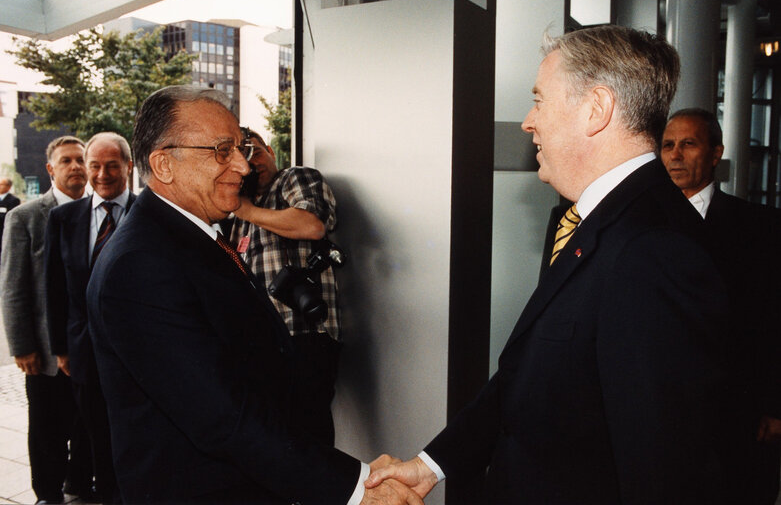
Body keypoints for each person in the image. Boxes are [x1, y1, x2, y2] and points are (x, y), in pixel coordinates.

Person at [367, 25, 732, 503]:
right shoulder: (597, 218)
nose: (527, 121)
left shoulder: (655, 250)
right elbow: (532, 372)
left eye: (539, 100)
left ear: (596, 109)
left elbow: (661, 469)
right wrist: (431, 465)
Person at [85, 85, 420, 505]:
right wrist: (356, 487)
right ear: (164, 164)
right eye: (223, 150)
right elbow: (221, 417)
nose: (243, 165)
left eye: (240, 148)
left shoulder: (193, 236)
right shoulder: (139, 264)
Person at [660, 108, 781, 504]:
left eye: (688, 144)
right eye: (668, 145)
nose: (675, 155)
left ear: (716, 153)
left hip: (740, 413)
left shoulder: (763, 227)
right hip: (662, 415)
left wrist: (775, 405)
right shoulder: (640, 227)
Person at [231, 129, 341, 446]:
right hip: (263, 342)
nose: (252, 162)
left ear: (270, 149)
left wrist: (246, 210)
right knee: (276, 437)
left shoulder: (293, 178)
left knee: (310, 432)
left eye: (255, 151)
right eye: (242, 156)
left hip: (304, 334)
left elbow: (312, 224)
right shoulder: (241, 210)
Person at [1, 136, 94, 504]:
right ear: (50, 169)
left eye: (80, 160)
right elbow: (13, 287)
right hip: (44, 349)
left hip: (86, 347)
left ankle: (79, 482)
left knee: (87, 424)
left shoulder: (98, 213)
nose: (75, 167)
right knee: (47, 428)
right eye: (66, 161)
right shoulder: (25, 217)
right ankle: (48, 493)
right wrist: (22, 346)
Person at [45, 132, 136, 504]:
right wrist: (61, 349)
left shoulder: (150, 213)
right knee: (98, 438)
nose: (102, 174)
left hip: (139, 354)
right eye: (94, 165)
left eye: (112, 165)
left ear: (128, 167)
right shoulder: (64, 218)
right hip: (86, 354)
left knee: (136, 438)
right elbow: (54, 288)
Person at [0, 177, 21, 262]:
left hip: (4, 231)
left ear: (8, 187)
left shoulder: (13, 200)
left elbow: (10, 217)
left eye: (1, 184)